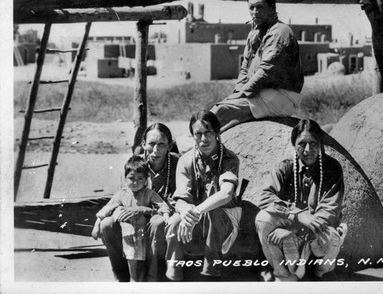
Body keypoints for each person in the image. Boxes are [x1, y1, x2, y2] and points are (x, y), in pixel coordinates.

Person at [254, 119, 347, 281]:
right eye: (302, 144)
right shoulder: (285, 167)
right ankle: (283, 273)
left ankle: (319, 273)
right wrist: (296, 215)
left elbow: (329, 211)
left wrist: (294, 230)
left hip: (317, 233)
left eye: (313, 143)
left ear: (320, 144)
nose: (308, 150)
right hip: (290, 232)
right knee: (262, 219)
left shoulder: (332, 168)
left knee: (332, 239)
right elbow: (266, 197)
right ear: (294, 144)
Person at [94, 122, 178, 282]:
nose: (156, 150)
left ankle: (155, 277)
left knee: (157, 223)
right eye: (151, 144)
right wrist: (101, 218)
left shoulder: (175, 165)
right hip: (131, 220)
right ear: (143, 144)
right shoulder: (134, 165)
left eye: (161, 144)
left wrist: (144, 210)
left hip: (159, 219)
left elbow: (175, 204)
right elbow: (119, 198)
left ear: (170, 146)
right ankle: (122, 276)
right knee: (107, 225)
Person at [211, 0, 304, 132]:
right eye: (251, 8)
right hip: (260, 93)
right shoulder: (254, 33)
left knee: (221, 111)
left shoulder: (280, 32)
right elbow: (245, 67)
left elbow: (266, 72)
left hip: (282, 96)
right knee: (218, 115)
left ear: (272, 8)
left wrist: (241, 94)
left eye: (260, 7)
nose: (255, 12)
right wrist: (237, 92)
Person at [165, 110, 241, 281]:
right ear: (192, 136)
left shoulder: (229, 159)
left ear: (217, 133)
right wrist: (185, 213)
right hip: (194, 218)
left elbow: (226, 194)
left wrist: (196, 211)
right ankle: (174, 276)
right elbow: (180, 200)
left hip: (222, 217)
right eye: (198, 134)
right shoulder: (185, 160)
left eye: (208, 133)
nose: (204, 139)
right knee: (174, 222)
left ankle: (211, 273)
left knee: (213, 212)